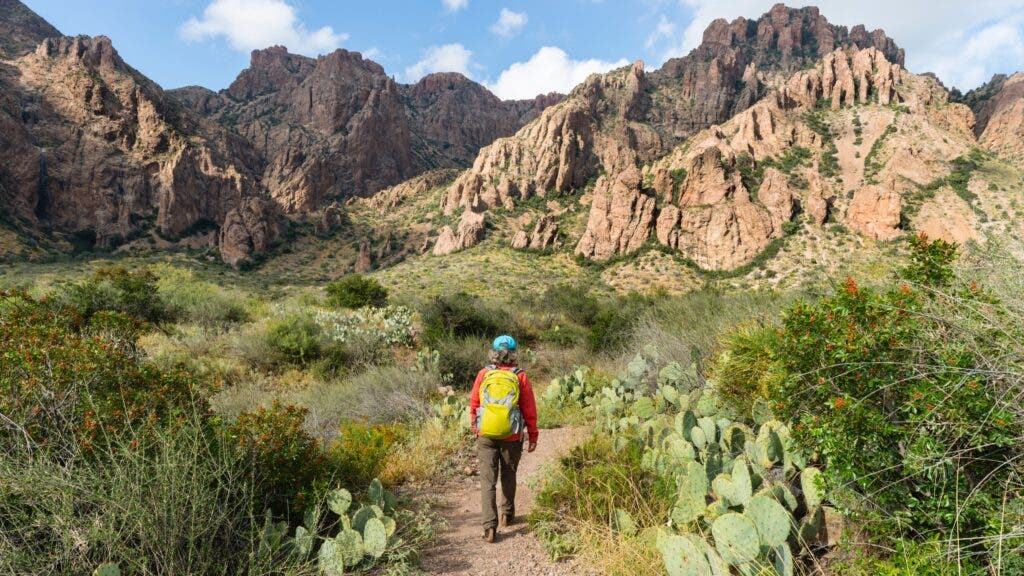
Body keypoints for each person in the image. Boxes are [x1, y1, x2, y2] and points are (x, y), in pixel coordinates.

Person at [469, 335, 538, 543]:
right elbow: (529, 408)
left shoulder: (484, 373)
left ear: (494, 352)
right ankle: (507, 514)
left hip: (486, 434)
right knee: (509, 475)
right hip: (512, 434)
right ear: (514, 353)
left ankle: (489, 527)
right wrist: (532, 434)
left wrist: (476, 426)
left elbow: (474, 402)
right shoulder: (520, 376)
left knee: (488, 480)